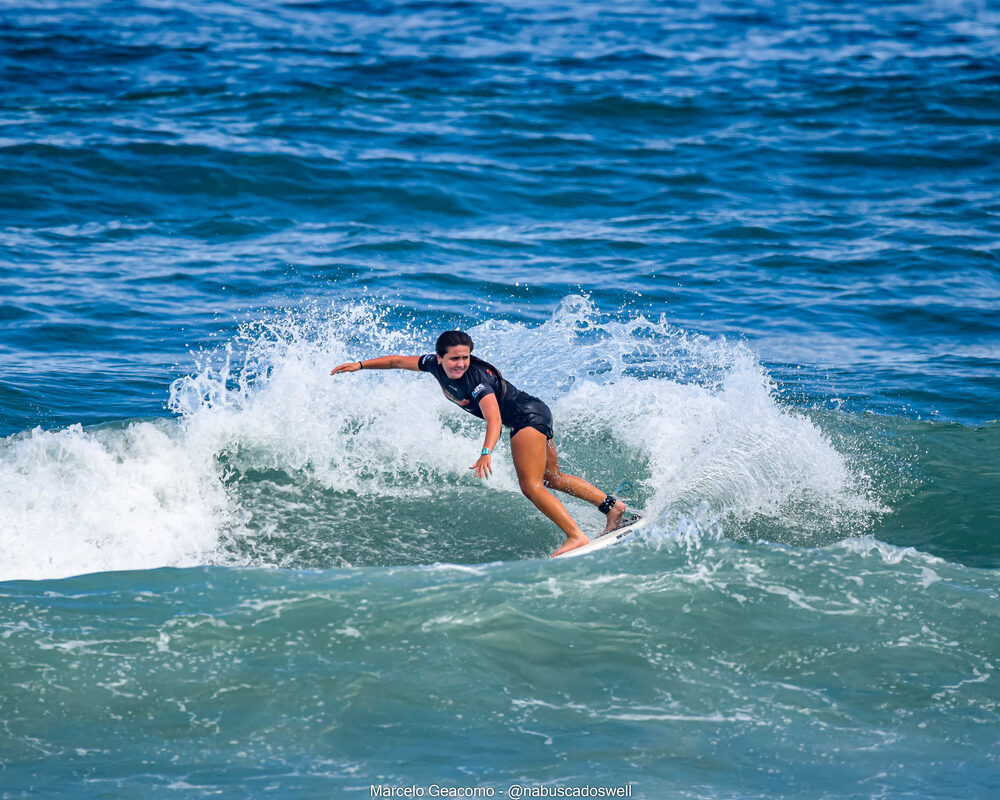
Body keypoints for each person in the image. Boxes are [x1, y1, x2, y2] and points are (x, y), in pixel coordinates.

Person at [331, 330, 627, 557]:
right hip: (534, 412)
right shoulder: (431, 364)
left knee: (532, 486)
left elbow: (495, 419)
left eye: (465, 357)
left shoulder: (477, 382)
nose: (461, 363)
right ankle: (612, 507)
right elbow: (397, 361)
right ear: (439, 358)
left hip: (527, 418)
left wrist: (486, 452)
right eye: (454, 358)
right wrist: (359, 365)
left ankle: (575, 535)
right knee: (552, 477)